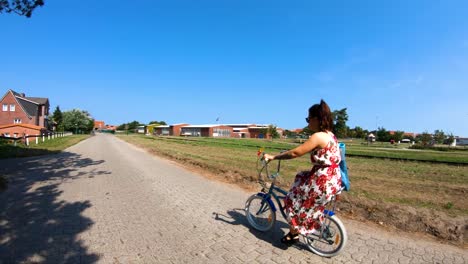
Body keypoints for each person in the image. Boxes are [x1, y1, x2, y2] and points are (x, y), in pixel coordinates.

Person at [264, 99, 342, 246]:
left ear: (317, 119)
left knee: (291, 199)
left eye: (308, 119)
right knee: (301, 181)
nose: (307, 123)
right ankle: (299, 226)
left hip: (322, 180)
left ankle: (293, 234)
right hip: (333, 179)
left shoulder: (318, 136)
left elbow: (295, 153)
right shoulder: (331, 135)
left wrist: (274, 157)